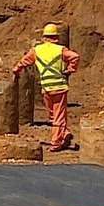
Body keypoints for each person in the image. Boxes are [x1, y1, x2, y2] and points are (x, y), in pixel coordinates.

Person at [13, 23, 81, 151]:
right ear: (56, 37)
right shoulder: (61, 50)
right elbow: (75, 57)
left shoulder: (37, 50)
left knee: (53, 114)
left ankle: (61, 136)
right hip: (59, 86)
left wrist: (16, 70)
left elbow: (24, 61)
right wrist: (70, 69)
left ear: (44, 37)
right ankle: (58, 140)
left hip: (46, 88)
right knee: (58, 115)